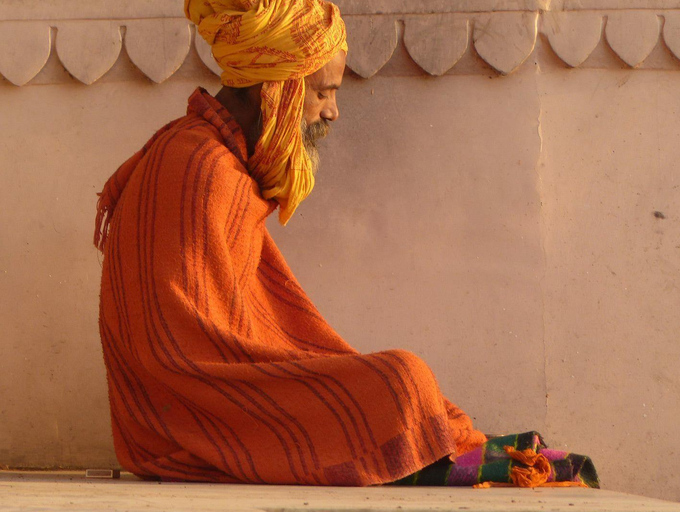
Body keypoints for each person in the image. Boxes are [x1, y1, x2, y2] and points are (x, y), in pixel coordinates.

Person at [93, 0, 598, 488]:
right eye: (324, 92)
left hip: (205, 406)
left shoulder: (209, 155)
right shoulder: (200, 167)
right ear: (280, 90)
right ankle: (467, 455)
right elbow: (186, 351)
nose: (332, 112)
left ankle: (455, 448)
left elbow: (241, 329)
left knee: (401, 384)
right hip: (185, 422)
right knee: (401, 380)